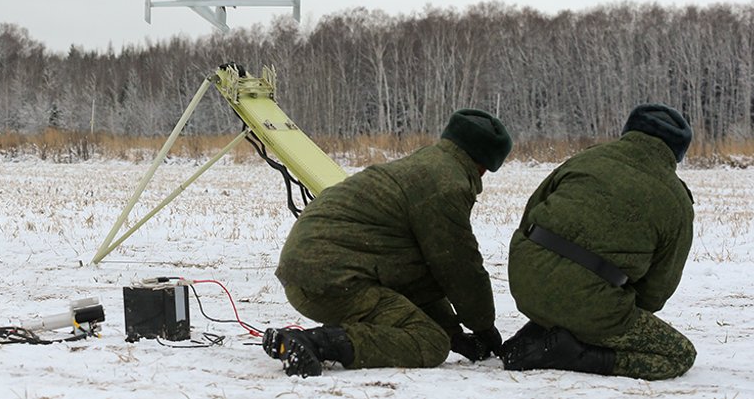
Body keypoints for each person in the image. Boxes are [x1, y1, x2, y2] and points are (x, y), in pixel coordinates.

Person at [262, 109, 513, 377]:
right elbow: (458, 266)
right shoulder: (446, 184)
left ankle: (313, 340)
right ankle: (313, 343)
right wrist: (484, 327)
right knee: (429, 341)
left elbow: (419, 273)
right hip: (329, 279)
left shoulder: (427, 165)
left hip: (311, 270)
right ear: (484, 165)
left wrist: (454, 333)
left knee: (436, 332)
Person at [500, 103, 696, 380]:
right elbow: (657, 290)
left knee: (577, 291)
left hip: (523, 283)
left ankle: (547, 326)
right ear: (677, 152)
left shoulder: (586, 159)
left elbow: (531, 213)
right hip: (590, 305)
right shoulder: (677, 201)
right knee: (680, 355)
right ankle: (579, 354)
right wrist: (606, 319)